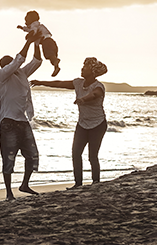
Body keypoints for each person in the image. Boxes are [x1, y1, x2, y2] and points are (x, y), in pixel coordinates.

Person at [31, 57, 108, 188]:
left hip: (98, 124)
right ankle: (78, 184)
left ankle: (96, 183)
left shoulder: (98, 86)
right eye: (83, 66)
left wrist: (83, 99)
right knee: (76, 153)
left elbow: (94, 95)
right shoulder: (78, 83)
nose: (82, 68)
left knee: (92, 156)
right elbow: (59, 83)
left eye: (86, 67)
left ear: (93, 71)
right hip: (82, 124)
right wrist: (41, 82)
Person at [0, 37, 43, 200]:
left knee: (32, 155)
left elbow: (36, 61)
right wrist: (28, 42)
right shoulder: (2, 75)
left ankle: (24, 185)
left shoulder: (22, 73)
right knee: (8, 158)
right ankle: (9, 193)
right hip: (8, 121)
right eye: (11, 64)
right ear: (6, 66)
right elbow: (19, 60)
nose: (15, 66)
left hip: (22, 122)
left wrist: (37, 43)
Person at [17, 10, 60, 77]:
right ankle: (56, 65)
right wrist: (22, 28)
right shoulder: (35, 25)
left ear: (32, 19)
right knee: (51, 57)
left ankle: (55, 62)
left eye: (26, 20)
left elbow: (34, 31)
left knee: (48, 55)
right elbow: (29, 29)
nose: (25, 22)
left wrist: (29, 36)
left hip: (46, 42)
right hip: (50, 42)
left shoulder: (35, 24)